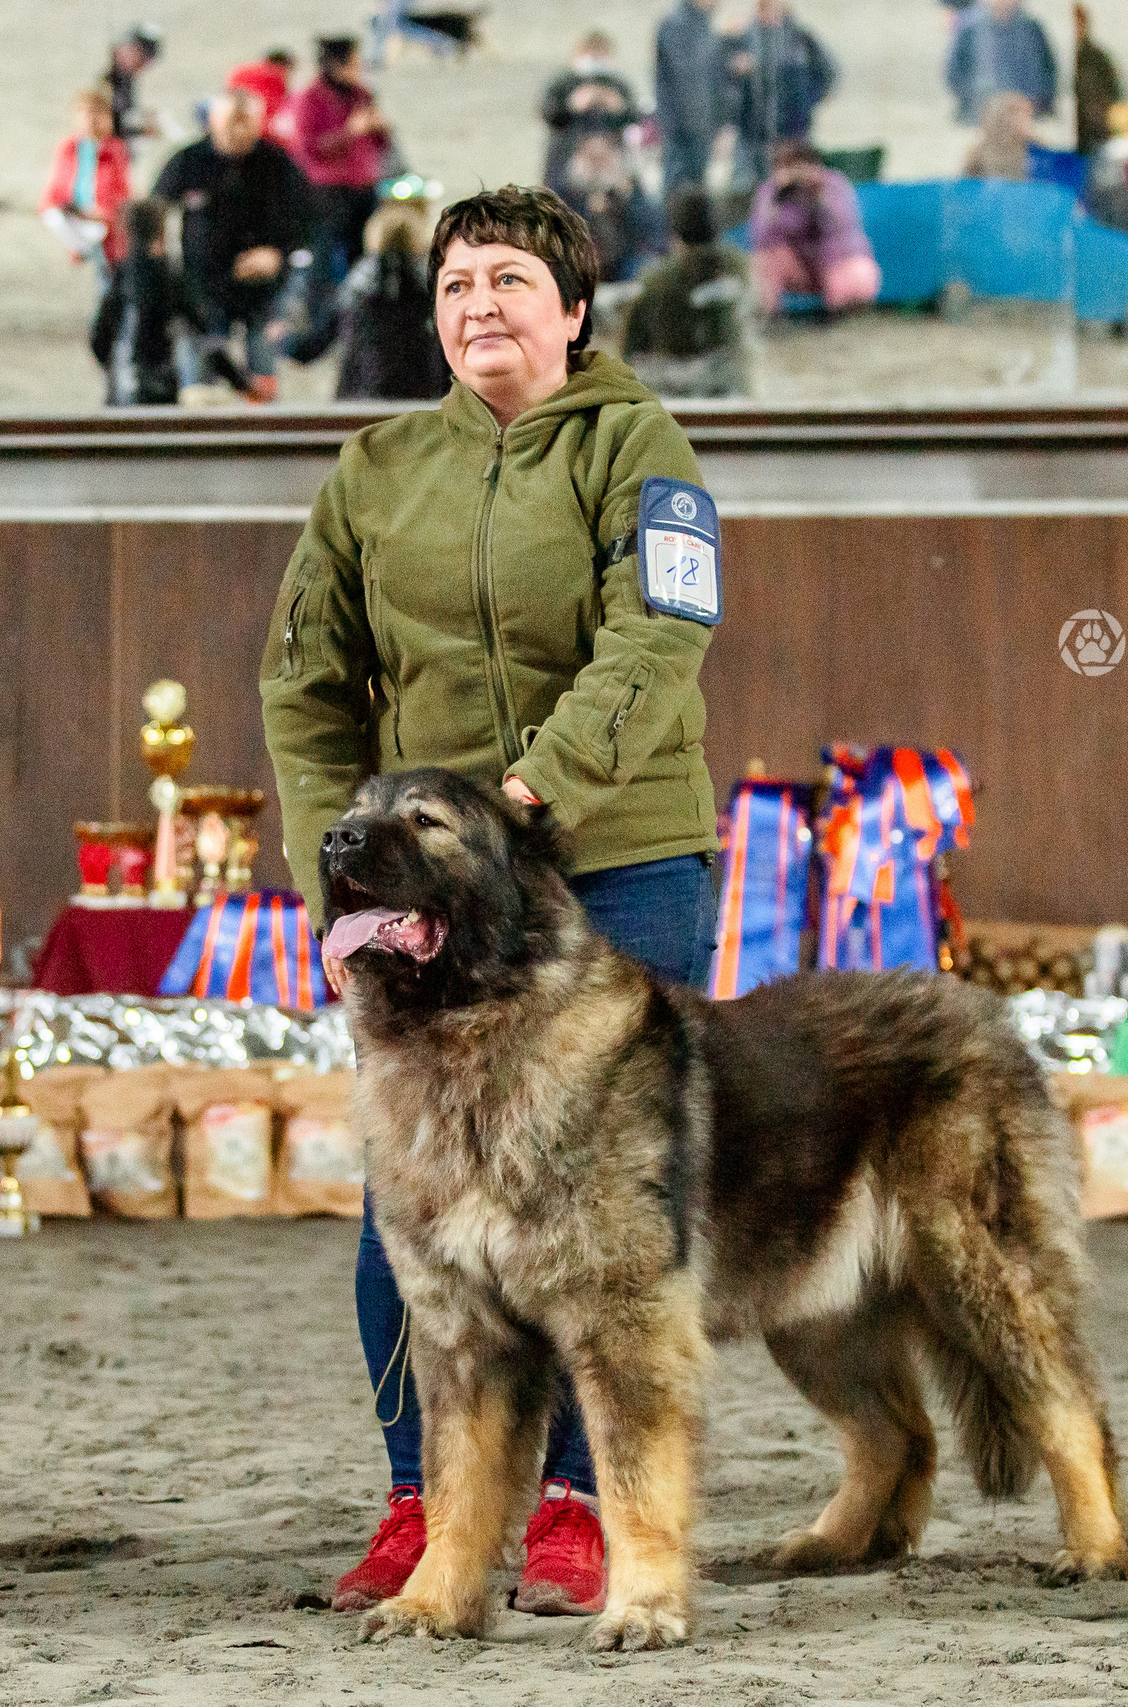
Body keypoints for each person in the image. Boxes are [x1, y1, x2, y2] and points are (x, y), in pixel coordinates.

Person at [259, 184, 722, 1624]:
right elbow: (304, 678)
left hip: (617, 855)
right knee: (412, 1205)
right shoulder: (377, 464)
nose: (479, 305)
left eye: (511, 279)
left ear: (574, 308)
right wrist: (344, 861)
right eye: (457, 282)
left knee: (600, 1211)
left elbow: (666, 624)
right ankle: (429, 1504)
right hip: (425, 896)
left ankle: (579, 1508)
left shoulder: (639, 443)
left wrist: (530, 800)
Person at [154, 91, 313, 402]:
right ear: (213, 121)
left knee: (263, 370)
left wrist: (277, 254)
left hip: (263, 288)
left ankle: (265, 436)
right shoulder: (188, 161)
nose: (239, 132)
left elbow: (307, 221)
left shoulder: (279, 165)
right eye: (230, 123)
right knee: (201, 376)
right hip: (203, 287)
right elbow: (155, 210)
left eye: (246, 123)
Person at [287, 38, 394, 362]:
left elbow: (379, 143)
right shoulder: (309, 99)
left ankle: (363, 324)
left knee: (366, 258)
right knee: (325, 261)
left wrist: (378, 128)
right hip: (328, 193)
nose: (359, 70)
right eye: (353, 63)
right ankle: (320, 332)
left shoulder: (362, 95)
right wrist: (350, 131)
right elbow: (307, 150)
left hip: (364, 187)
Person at [623, 185, 749, 397]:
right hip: (722, 382)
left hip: (667, 385)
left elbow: (630, 349)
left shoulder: (654, 280)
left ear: (674, 232)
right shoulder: (738, 268)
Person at [332, 199, 450, 401]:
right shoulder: (435, 287)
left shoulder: (356, 286)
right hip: (424, 396)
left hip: (362, 396)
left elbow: (313, 342)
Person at [749, 136, 880, 313]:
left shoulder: (834, 184)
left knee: (853, 272)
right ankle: (766, 316)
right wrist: (777, 199)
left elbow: (844, 229)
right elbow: (760, 239)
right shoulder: (771, 191)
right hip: (801, 269)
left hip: (836, 262)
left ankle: (841, 314)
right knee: (765, 261)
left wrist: (818, 196)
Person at [726, 0, 838, 193]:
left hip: (792, 132)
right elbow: (723, 80)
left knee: (793, 191)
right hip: (752, 132)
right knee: (747, 188)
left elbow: (829, 72)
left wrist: (809, 101)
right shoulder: (742, 38)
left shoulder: (801, 38)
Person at [91, 199, 189, 405]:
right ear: (160, 232)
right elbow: (200, 331)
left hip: (122, 387)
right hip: (162, 387)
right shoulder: (170, 278)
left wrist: (111, 368)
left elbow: (98, 339)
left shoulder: (120, 276)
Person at [40, 88, 132, 271]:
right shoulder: (68, 147)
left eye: (96, 113)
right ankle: (81, 249)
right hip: (72, 219)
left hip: (100, 221)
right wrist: (56, 206)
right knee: (54, 217)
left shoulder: (115, 149)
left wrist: (102, 213)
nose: (90, 119)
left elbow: (122, 193)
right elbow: (53, 188)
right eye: (85, 113)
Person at [558, 130, 667, 283]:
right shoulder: (566, 192)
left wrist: (625, 198)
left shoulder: (629, 188)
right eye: (592, 160)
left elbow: (655, 232)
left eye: (603, 159)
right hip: (577, 266)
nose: (598, 167)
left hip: (624, 262)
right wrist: (586, 210)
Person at [540, 31, 640, 188]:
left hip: (611, 163)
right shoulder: (562, 83)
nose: (596, 59)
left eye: (600, 54)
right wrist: (571, 106)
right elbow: (549, 114)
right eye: (591, 53)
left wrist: (618, 108)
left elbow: (635, 118)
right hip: (568, 161)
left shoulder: (618, 85)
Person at [655, 0, 727, 196]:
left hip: (698, 123)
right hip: (684, 125)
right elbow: (686, 78)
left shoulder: (701, 23)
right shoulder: (678, 24)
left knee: (695, 190)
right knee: (679, 190)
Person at [945, 0, 1058, 124]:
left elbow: (1048, 72)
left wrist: (1037, 106)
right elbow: (954, 74)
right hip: (979, 118)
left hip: (1026, 118)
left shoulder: (1031, 29)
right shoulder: (970, 30)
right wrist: (973, 101)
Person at [1073, 2, 1124, 157]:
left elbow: (1115, 92)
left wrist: (1099, 112)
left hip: (1095, 133)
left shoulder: (1097, 57)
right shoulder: (1062, 60)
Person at [104, 26, 164, 151]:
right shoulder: (109, 81)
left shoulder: (126, 79)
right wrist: (142, 130)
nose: (143, 67)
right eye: (143, 59)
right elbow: (105, 127)